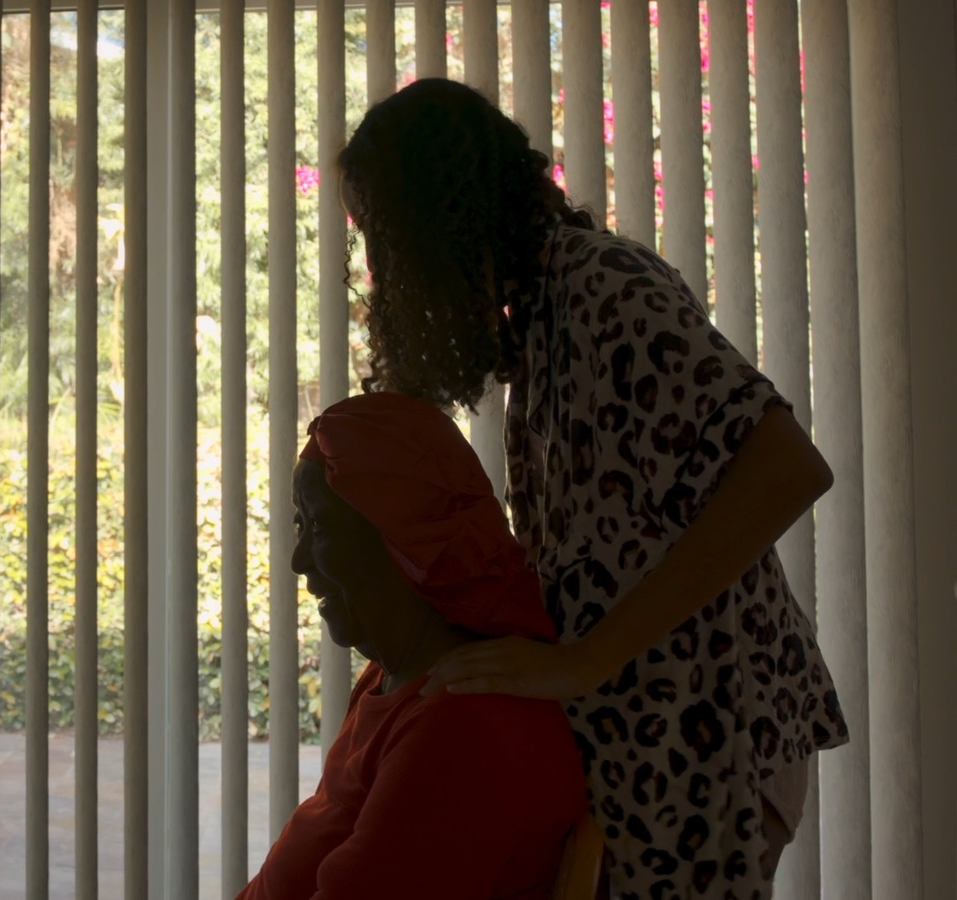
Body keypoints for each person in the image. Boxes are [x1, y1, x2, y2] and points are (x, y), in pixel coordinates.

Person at [334, 78, 848, 899]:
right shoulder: (537, 322)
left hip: (706, 733)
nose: (377, 267)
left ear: (437, 215)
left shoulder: (602, 287)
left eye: (382, 235)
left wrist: (589, 660)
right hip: (657, 739)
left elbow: (786, 469)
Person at [238, 391, 589, 900]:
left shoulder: (464, 725)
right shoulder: (390, 679)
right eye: (300, 526)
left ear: (404, 536)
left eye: (319, 526)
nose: (298, 561)